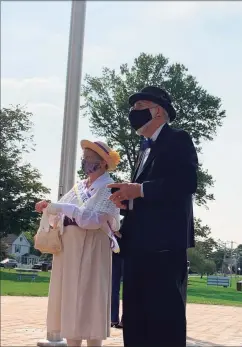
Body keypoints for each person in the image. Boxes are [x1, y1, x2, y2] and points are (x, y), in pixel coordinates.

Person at [108, 86, 198, 347]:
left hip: (165, 245)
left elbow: (186, 182)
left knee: (164, 319)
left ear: (158, 111)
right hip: (137, 245)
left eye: (139, 106)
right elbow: (148, 196)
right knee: (135, 318)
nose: (133, 112)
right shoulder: (142, 148)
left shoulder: (178, 139)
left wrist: (140, 189)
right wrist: (127, 201)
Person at [35, 140, 121, 347]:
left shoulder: (109, 188)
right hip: (69, 249)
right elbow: (59, 213)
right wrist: (48, 207)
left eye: (89, 158)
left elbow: (92, 220)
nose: (85, 161)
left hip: (93, 248)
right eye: (84, 157)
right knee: (70, 298)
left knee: (90, 298)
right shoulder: (79, 187)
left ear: (102, 163)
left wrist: (63, 208)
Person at [111, 234, 124, 329]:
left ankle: (124, 319)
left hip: (127, 253)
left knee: (128, 288)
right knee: (113, 288)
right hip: (115, 254)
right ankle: (113, 318)